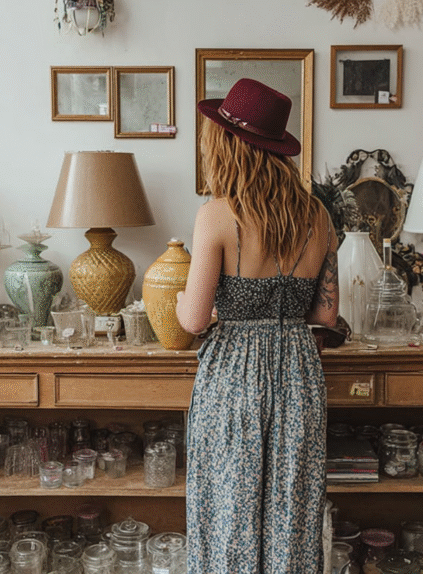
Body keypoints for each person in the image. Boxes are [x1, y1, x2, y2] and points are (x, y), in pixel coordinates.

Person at [176, 77, 340, 574]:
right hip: (298, 374)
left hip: (234, 380)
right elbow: (325, 316)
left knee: (230, 510)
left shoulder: (217, 216)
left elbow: (194, 320)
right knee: (292, 511)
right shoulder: (319, 217)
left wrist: (181, 295)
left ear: (229, 146)